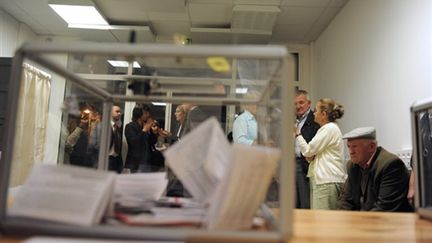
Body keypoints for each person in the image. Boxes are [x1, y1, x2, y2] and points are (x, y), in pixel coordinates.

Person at [338, 127, 414, 212]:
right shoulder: (353, 166)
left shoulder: (390, 165)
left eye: (355, 146)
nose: (351, 151)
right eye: (349, 147)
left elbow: (384, 208)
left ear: (372, 146)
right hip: (366, 220)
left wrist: (358, 222)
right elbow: (345, 201)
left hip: (392, 222)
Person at [295, 98, 346, 210]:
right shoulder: (328, 129)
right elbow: (310, 156)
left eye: (316, 110)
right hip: (324, 181)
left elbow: (308, 151)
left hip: (326, 182)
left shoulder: (328, 129)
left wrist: (298, 134)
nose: (314, 113)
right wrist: (309, 154)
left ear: (323, 114)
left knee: (322, 221)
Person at [294, 90, 320, 209]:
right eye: (295, 104)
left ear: (309, 103)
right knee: (292, 203)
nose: (298, 106)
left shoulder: (315, 120)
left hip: (305, 164)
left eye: (301, 103)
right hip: (290, 164)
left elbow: (313, 147)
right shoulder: (292, 119)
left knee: (304, 203)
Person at [124, 105, 153, 172]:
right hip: (136, 164)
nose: (148, 115)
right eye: (145, 113)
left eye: (148, 113)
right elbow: (133, 143)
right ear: (138, 114)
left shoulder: (145, 126)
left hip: (147, 162)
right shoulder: (129, 126)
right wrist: (144, 131)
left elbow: (151, 143)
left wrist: (153, 133)